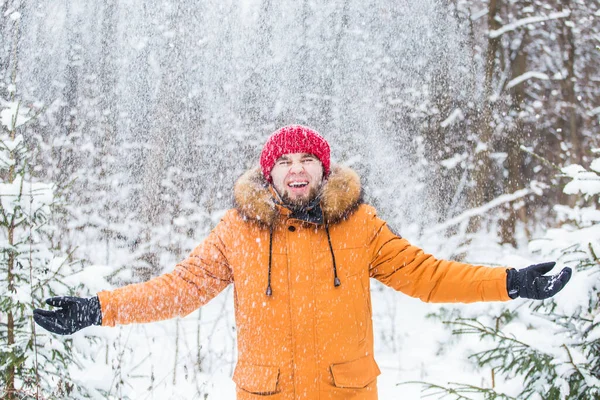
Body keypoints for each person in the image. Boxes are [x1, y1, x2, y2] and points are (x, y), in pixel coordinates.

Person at [34, 125, 572, 400]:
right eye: (285, 162)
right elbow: (179, 289)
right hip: (265, 392)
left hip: (346, 392)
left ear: (323, 169)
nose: (296, 170)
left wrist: (510, 282)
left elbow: (427, 276)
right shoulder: (237, 232)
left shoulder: (360, 226)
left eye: (307, 160)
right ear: (269, 174)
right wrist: (97, 310)